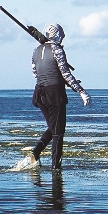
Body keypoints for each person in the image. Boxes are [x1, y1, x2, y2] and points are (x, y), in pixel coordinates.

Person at [20, 23, 91, 172]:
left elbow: (36, 73)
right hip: (55, 95)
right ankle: (56, 168)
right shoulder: (57, 50)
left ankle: (35, 153)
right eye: (62, 34)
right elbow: (65, 73)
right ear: (58, 35)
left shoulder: (36, 50)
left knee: (53, 127)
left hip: (39, 94)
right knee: (58, 132)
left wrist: (64, 81)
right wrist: (81, 91)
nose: (63, 37)